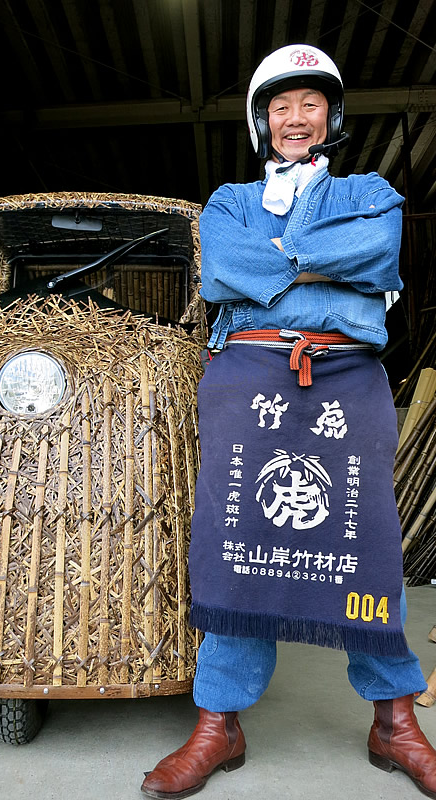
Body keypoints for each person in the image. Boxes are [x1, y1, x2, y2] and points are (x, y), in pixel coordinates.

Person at [141, 44, 436, 800]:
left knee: (363, 536)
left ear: (330, 116)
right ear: (261, 121)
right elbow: (218, 270)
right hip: (249, 374)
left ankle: (393, 719)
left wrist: (277, 261)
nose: (295, 118)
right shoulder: (230, 201)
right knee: (234, 536)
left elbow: (376, 251)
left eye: (309, 104)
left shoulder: (368, 190)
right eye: (280, 107)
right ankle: (220, 723)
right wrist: (317, 265)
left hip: (345, 374)